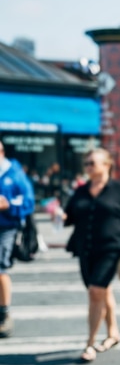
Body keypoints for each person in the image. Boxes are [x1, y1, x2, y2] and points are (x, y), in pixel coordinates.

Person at [63, 148, 120, 362]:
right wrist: (59, 215)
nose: (88, 167)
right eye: (86, 163)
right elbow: (69, 217)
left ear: (106, 165)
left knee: (95, 292)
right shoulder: (80, 191)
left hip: (112, 249)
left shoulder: (118, 190)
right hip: (85, 250)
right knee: (102, 291)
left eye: (92, 163)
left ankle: (90, 343)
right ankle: (113, 333)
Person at [0, 140, 35, 338]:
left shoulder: (15, 174)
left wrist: (8, 205)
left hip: (6, 227)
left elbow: (28, 203)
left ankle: (4, 313)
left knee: (0, 267)